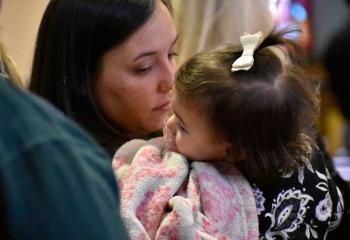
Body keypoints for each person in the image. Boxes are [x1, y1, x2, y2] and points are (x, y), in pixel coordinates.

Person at [113, 29, 344, 239]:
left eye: (183, 127)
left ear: (234, 150)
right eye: (174, 112)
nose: (169, 125)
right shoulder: (291, 143)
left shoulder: (245, 202)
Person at [29, 0, 177, 156]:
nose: (170, 80)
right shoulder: (76, 171)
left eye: (171, 54)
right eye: (144, 68)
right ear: (81, 77)